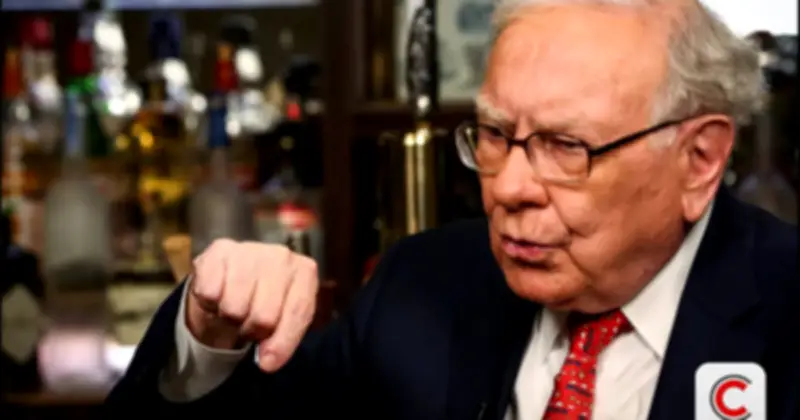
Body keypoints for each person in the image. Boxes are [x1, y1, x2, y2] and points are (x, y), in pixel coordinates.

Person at [106, 0, 799, 419]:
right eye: (495, 134)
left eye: (566, 146)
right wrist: (209, 337)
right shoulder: (421, 287)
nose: (509, 187)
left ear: (699, 159)